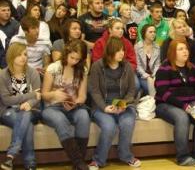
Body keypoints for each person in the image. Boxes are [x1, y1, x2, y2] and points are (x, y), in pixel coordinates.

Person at [155, 39, 195, 166]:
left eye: (186, 49)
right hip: (166, 105)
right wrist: (184, 106)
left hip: (190, 104)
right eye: (180, 49)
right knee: (182, 117)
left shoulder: (193, 68)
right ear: (173, 52)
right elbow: (163, 93)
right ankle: (183, 157)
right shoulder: (164, 68)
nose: (185, 51)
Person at [88, 37, 140, 169]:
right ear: (110, 51)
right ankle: (98, 160)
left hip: (124, 105)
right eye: (118, 51)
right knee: (109, 126)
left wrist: (122, 104)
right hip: (102, 105)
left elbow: (131, 91)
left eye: (123, 50)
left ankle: (126, 155)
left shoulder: (127, 66)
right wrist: (105, 108)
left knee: (127, 123)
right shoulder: (97, 66)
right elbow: (94, 91)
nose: (122, 53)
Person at [41, 40, 90, 170]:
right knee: (60, 119)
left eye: (77, 59)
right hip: (52, 107)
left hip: (73, 106)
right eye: (72, 57)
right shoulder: (53, 68)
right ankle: (79, 162)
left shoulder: (82, 70)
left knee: (84, 116)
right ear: (66, 54)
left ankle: (78, 164)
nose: (74, 61)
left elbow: (82, 96)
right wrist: (54, 94)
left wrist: (75, 103)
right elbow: (44, 94)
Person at [0, 43, 41, 170]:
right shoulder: (2, 75)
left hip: (32, 110)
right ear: (11, 56)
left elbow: (38, 97)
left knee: (27, 113)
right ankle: (30, 164)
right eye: (19, 54)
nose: (23, 57)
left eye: (25, 54)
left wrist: (30, 102)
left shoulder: (33, 72)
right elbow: (7, 100)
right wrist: (31, 94)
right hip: (9, 111)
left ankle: (11, 154)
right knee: (26, 121)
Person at [135, 24, 160, 96]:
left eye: (154, 32)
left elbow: (157, 64)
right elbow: (138, 65)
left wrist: (154, 75)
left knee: (159, 87)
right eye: (150, 32)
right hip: (141, 75)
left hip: (154, 74)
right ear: (144, 33)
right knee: (149, 88)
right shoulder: (137, 47)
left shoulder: (157, 46)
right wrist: (147, 76)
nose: (153, 34)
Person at [0, 0, 19, 69]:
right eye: (3, 10)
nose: (7, 12)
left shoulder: (16, 24)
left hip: (11, 57)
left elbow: (16, 45)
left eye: (8, 10)